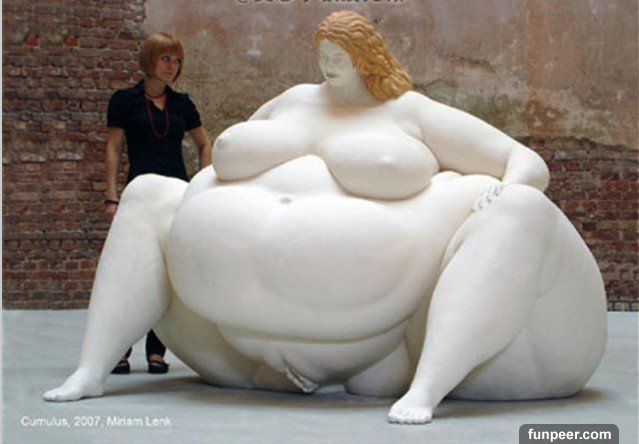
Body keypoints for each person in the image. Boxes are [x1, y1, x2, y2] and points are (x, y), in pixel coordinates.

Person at [45, 11, 605, 427]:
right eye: (324, 53)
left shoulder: (410, 112)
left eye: (340, 54)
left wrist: (502, 193)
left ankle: (428, 388)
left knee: (522, 208)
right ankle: (91, 370)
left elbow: (523, 162)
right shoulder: (291, 101)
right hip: (232, 340)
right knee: (147, 192)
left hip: (383, 345)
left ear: (366, 55)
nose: (329, 64)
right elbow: (225, 165)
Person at [103, 32, 212, 374]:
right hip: (138, 194)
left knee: (166, 271)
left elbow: (205, 145)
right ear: (150, 61)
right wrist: (111, 196)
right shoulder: (125, 100)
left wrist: (201, 186)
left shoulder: (182, 104)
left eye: (177, 61)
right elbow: (113, 148)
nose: (172, 66)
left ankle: (156, 350)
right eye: (166, 58)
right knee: (130, 270)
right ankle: (120, 349)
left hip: (175, 194)